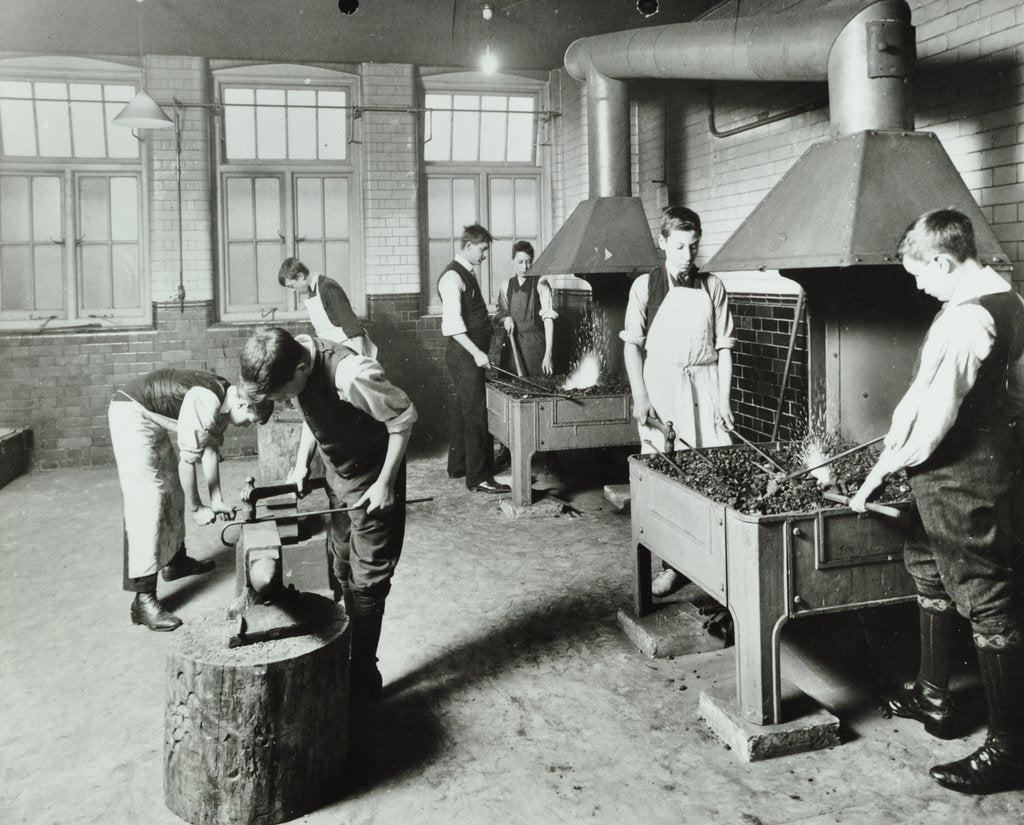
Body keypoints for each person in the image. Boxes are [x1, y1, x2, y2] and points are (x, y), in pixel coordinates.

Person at [851, 209, 1024, 795]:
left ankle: (1010, 750)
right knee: (928, 568)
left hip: (962, 476)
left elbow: (927, 421)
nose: (919, 286)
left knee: (985, 597)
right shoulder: (1005, 295)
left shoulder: (966, 319)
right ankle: (934, 696)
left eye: (920, 274)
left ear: (943, 261)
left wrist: (878, 474)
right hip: (967, 467)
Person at [239, 327, 416, 701]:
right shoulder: (296, 359)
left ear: (301, 370)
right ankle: (344, 647)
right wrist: (302, 464)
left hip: (372, 473)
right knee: (341, 562)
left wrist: (385, 483)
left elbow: (403, 418)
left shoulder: (351, 374)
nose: (285, 401)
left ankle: (363, 674)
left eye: (283, 394)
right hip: (338, 469)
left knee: (367, 576)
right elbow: (310, 409)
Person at [621, 206, 736, 597]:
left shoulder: (713, 286)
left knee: (711, 470)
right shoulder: (645, 287)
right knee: (667, 478)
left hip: (705, 385)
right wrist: (641, 397)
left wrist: (724, 401)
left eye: (694, 246)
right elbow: (632, 349)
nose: (689, 256)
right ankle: (672, 565)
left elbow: (724, 348)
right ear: (663, 243)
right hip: (663, 386)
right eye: (681, 247)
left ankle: (714, 562)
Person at [108, 369, 271, 631]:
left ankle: (175, 561)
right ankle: (143, 599)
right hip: (130, 411)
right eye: (253, 417)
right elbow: (189, 461)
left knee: (170, 488)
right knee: (149, 500)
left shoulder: (226, 398)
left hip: (146, 414)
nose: (250, 424)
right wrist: (197, 508)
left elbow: (208, 448)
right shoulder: (208, 401)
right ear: (242, 403)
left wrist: (215, 500)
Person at [438, 223, 510, 494]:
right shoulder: (452, 277)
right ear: (469, 246)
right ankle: (479, 477)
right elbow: (453, 326)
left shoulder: (465, 273)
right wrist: (478, 353)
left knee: (461, 409)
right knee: (477, 413)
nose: (485, 255)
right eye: (482, 250)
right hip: (464, 354)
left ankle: (459, 466)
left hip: (466, 355)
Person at [278, 257, 378, 359]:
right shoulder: (313, 291)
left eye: (292, 286)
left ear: (300, 276)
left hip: (350, 348)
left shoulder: (327, 287)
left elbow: (351, 324)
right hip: (335, 349)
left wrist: (359, 358)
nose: (293, 291)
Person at [495, 241, 558, 377]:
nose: (525, 266)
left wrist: (548, 355)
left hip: (535, 349)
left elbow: (548, 321)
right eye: (520, 262)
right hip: (512, 349)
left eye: (529, 262)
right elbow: (499, 316)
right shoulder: (506, 286)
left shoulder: (541, 283)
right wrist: (506, 318)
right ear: (513, 261)